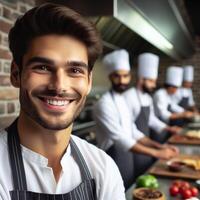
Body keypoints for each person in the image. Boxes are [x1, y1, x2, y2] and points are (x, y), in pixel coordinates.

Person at [0, 3, 126, 200]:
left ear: (89, 81)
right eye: (43, 67)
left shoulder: (103, 168)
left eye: (75, 71)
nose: (59, 86)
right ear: (16, 74)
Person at [93, 49, 179, 189]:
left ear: (130, 76)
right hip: (112, 158)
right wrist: (157, 153)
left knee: (129, 190)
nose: (122, 80)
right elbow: (120, 138)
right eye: (117, 76)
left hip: (127, 156)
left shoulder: (121, 100)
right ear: (110, 77)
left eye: (125, 76)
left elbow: (133, 131)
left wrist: (159, 146)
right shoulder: (104, 103)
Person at [123, 53, 181, 177]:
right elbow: (129, 129)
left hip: (146, 141)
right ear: (141, 79)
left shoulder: (147, 97)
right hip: (134, 146)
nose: (154, 85)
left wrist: (167, 129)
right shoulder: (129, 96)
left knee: (146, 173)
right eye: (151, 81)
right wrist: (157, 148)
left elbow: (151, 119)